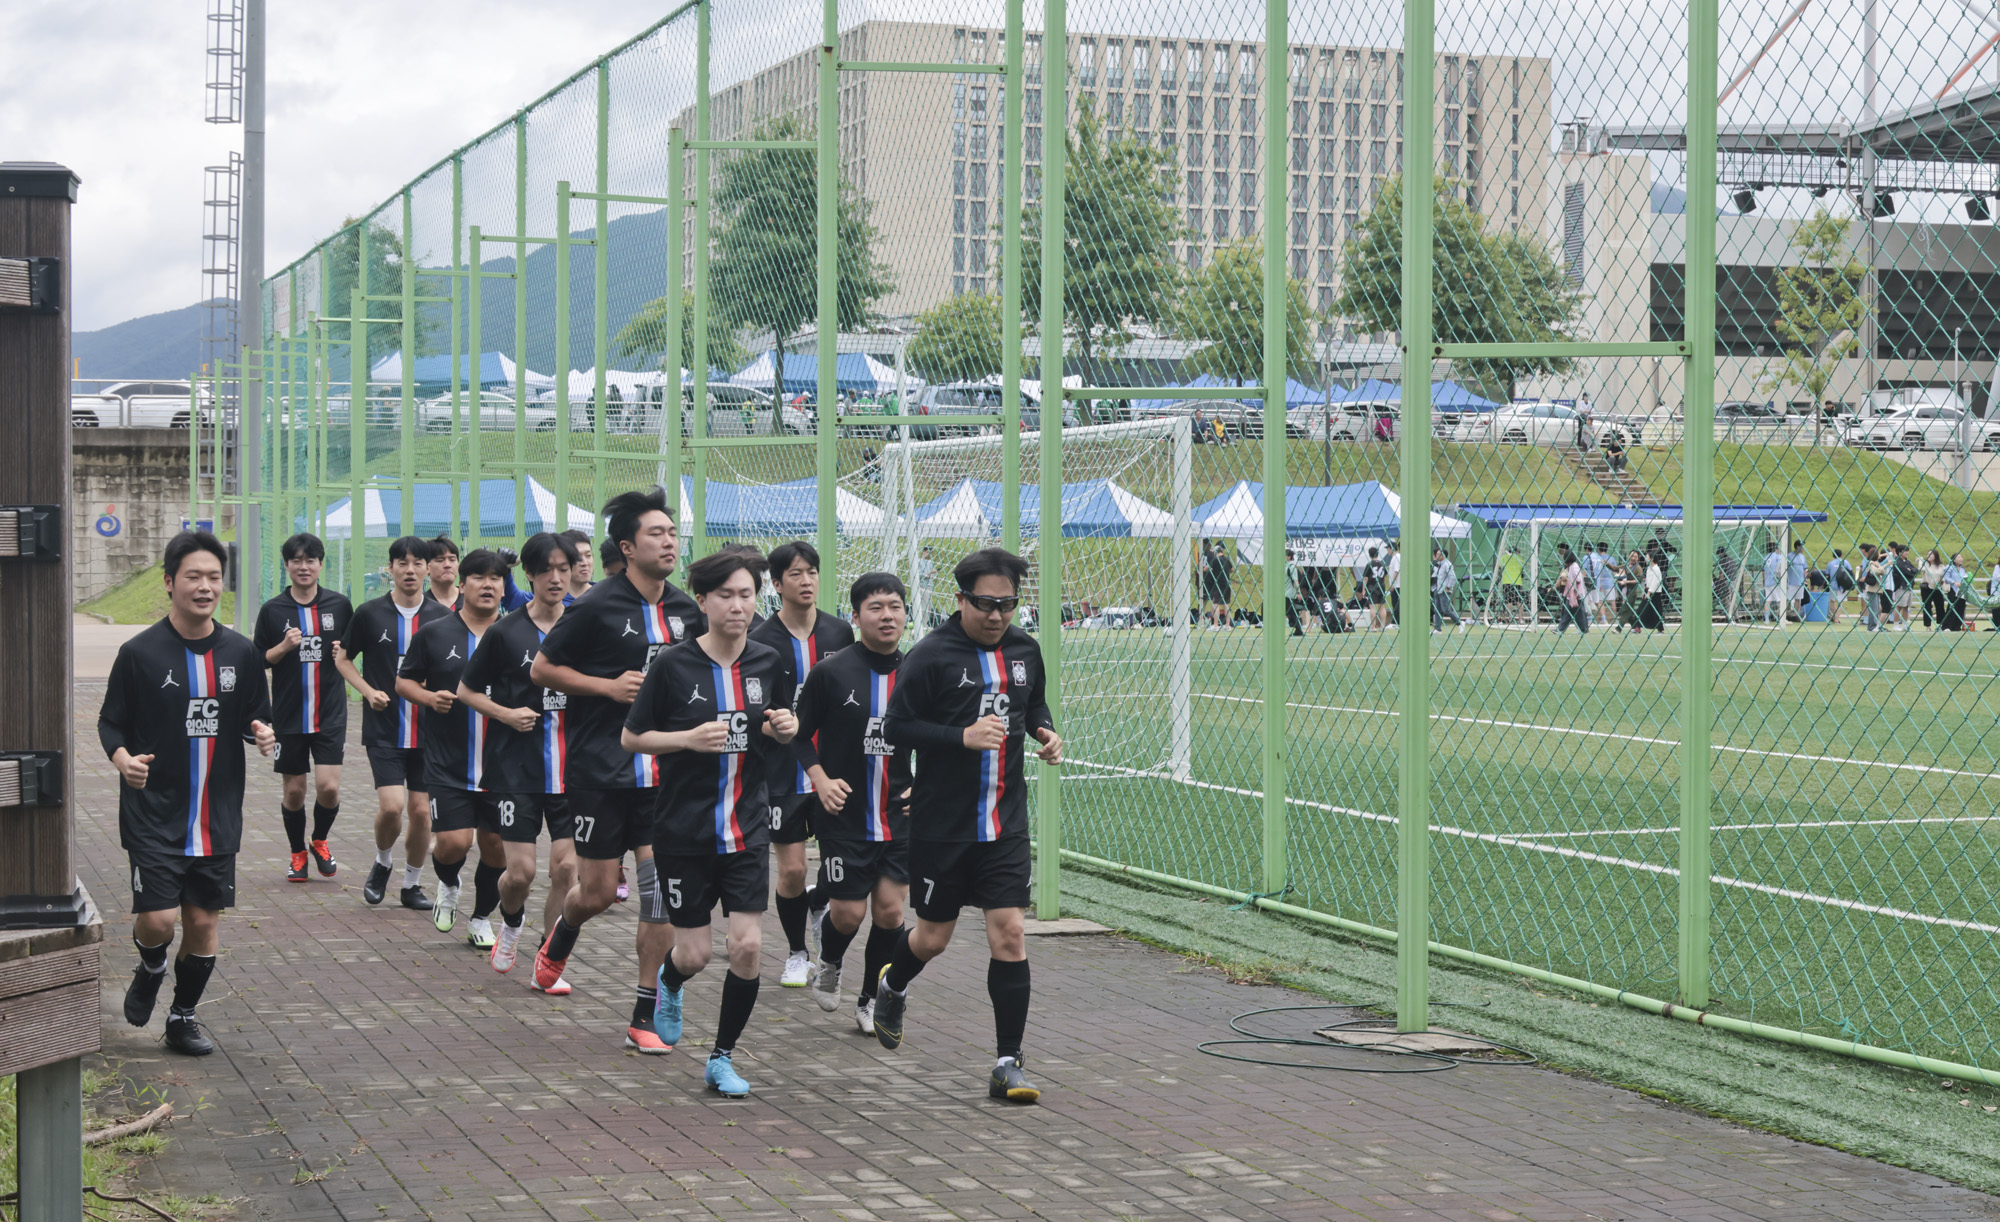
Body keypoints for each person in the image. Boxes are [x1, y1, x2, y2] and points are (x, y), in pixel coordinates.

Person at [872, 547, 1062, 1104]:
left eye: (1007, 604)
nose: (998, 615)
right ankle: (892, 983)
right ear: (960, 600)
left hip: (1004, 824)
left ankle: (1009, 1062)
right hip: (942, 826)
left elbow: (1036, 706)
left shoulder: (1026, 650)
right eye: (986, 604)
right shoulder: (931, 656)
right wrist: (961, 737)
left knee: (1009, 932)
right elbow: (897, 728)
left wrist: (1045, 733)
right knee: (933, 937)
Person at [530, 487, 704, 1052]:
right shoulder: (597, 607)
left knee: (659, 894)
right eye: (657, 533)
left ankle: (643, 1013)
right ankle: (565, 929)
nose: (670, 541)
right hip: (601, 773)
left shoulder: (685, 610)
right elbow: (542, 669)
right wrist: (605, 686)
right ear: (627, 547)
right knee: (599, 892)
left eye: (673, 532)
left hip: (666, 778)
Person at [622, 548, 797, 1097]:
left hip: (746, 829)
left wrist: (786, 727)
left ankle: (721, 1058)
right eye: (726, 595)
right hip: (682, 831)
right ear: (702, 601)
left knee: (746, 947)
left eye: (747, 594)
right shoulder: (673, 665)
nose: (738, 605)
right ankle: (672, 980)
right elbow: (632, 737)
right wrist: (685, 740)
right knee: (695, 952)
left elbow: (779, 725)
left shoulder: (770, 662)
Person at [104, 530, 276, 1056]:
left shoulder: (241, 652)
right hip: (154, 813)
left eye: (214, 578)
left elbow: (254, 717)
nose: (205, 587)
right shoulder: (139, 653)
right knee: (157, 920)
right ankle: (152, 964)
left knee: (202, 924)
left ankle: (182, 1017)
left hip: (217, 815)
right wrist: (124, 761)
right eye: (194, 577)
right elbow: (111, 725)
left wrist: (263, 733)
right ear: (169, 582)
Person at [794, 572, 913, 1033]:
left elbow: (941, 739)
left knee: (889, 912)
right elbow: (799, 737)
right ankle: (829, 959)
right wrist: (820, 778)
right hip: (843, 814)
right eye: (876, 607)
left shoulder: (919, 672)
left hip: (897, 816)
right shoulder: (831, 672)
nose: (887, 616)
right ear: (856, 615)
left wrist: (923, 786)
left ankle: (869, 1000)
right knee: (847, 912)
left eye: (895, 606)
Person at [457, 533, 580, 975]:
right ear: (528, 574)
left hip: (574, 770)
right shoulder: (505, 631)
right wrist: (506, 714)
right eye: (546, 569)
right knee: (521, 874)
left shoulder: (586, 625)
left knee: (566, 869)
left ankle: (551, 960)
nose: (556, 577)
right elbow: (466, 690)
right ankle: (510, 923)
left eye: (564, 569)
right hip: (516, 768)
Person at [748, 540, 856, 987]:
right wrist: (777, 729)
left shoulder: (839, 633)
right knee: (791, 869)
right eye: (795, 573)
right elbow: (752, 713)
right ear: (776, 584)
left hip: (834, 771)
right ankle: (796, 953)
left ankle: (819, 901)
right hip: (781, 772)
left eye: (812, 571)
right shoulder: (759, 642)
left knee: (843, 865)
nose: (807, 580)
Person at [395, 549, 511, 949]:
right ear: (462, 585)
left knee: (496, 847)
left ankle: (481, 918)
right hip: (449, 762)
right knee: (454, 844)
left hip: (504, 766)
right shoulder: (435, 632)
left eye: (496, 578)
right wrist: (428, 699)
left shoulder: (517, 635)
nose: (488, 584)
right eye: (479, 577)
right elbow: (404, 682)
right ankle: (448, 884)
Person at [334, 535, 450, 909]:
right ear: (390, 569)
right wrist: (368, 692)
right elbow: (343, 659)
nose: (411, 570)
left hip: (429, 733)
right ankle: (383, 861)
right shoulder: (369, 613)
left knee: (421, 812)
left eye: (418, 563)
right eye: (403, 563)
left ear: (428, 569)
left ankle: (412, 884)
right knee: (391, 807)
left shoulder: (441, 618)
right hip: (384, 729)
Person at [254, 532, 354, 883]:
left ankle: (320, 839)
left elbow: (352, 654)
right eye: (296, 560)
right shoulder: (273, 610)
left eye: (310, 560)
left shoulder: (340, 606)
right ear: (286, 566)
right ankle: (297, 851)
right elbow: (259, 661)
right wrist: (283, 647)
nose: (303, 566)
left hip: (330, 713)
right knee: (294, 791)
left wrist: (343, 651)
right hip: (289, 714)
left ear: (320, 564)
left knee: (328, 788)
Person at [1554, 545, 1589, 634]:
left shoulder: (1574, 567)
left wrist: (1570, 581)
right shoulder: (1572, 566)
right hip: (1571, 594)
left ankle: (1561, 629)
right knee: (1571, 613)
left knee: (1576, 613)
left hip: (1576, 594)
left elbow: (1578, 579)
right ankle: (1583, 629)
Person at [1429, 547, 1463, 632]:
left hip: (1444, 590)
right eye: (1436, 554)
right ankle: (1437, 629)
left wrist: (1448, 587)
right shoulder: (1439, 564)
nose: (1437, 556)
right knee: (1437, 610)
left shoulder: (1447, 564)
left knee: (1446, 609)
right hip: (1437, 589)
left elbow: (1453, 577)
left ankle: (1459, 623)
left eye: (1439, 554)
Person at [1202, 542, 1234, 628]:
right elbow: (1232, 570)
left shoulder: (1215, 560)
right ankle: (1227, 625)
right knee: (1225, 604)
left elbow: (1205, 569)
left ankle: (1215, 625)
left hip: (1218, 585)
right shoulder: (1226, 560)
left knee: (1215, 604)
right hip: (1227, 584)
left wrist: (1211, 569)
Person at [1615, 550, 1646, 632]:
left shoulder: (1638, 568)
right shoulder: (1626, 566)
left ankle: (1618, 629)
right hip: (1625, 591)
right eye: (1632, 556)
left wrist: (1627, 582)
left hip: (1632, 592)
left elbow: (1639, 580)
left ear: (1638, 558)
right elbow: (1615, 568)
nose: (1633, 558)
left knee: (1625, 610)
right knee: (1629, 611)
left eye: (1635, 556)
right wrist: (1607, 564)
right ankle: (1636, 627)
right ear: (1629, 556)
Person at [561, 528, 595, 603]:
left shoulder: (604, 595)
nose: (585, 563)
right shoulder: (554, 600)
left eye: (588, 555)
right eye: (577, 557)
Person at [427, 536, 461, 607]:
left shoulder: (470, 600)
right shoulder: (420, 604)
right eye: (440, 560)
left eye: (452, 560)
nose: (447, 565)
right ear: (427, 567)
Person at [1823, 548, 1854, 625]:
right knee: (1840, 603)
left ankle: (1834, 617)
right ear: (1841, 555)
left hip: (1832, 586)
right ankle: (1836, 619)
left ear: (1833, 555)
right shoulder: (1845, 562)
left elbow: (1827, 575)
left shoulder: (1830, 564)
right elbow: (1851, 573)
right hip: (1843, 586)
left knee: (1832, 601)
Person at [1590, 542, 1618, 627]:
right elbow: (1615, 570)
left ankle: (1604, 619)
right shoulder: (1611, 558)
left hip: (1600, 583)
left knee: (1601, 602)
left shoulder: (1597, 558)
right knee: (1613, 601)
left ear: (1598, 549)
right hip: (1610, 583)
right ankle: (1615, 620)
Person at [1891, 544, 1917, 630]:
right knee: (1899, 605)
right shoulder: (1897, 561)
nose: (1907, 553)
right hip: (1901, 586)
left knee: (1906, 606)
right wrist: (1909, 571)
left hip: (1908, 586)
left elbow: (1915, 570)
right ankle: (1896, 625)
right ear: (1899, 552)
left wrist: (1910, 570)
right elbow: (1906, 572)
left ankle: (1905, 625)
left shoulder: (1907, 562)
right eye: (1905, 551)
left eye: (1907, 551)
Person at [1860, 544, 1885, 632]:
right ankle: (1871, 627)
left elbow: (1883, 571)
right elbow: (1877, 571)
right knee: (1873, 608)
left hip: (1877, 589)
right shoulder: (1870, 563)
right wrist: (1879, 567)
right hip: (1872, 589)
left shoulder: (1876, 563)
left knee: (1877, 608)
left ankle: (1875, 626)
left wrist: (1879, 566)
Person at [1641, 551, 1668, 632]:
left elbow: (1655, 582)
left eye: (1647, 557)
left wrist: (1649, 592)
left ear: (1652, 559)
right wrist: (1644, 589)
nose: (1645, 559)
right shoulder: (1649, 568)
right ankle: (1637, 627)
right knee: (1642, 610)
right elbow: (1648, 581)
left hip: (1655, 593)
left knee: (1657, 611)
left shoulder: (1656, 569)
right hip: (1649, 590)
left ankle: (1660, 629)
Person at [1941, 552, 1968, 632]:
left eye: (1961, 557)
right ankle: (1947, 626)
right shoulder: (1949, 567)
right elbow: (1946, 578)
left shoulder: (1962, 569)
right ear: (1954, 559)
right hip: (1953, 590)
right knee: (1952, 608)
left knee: (1961, 608)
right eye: (1958, 557)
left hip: (1962, 591)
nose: (1960, 559)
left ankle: (1957, 626)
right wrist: (1954, 582)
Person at [1760, 545, 1787, 625]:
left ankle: (1767, 620)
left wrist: (1765, 581)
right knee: (1780, 600)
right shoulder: (1778, 557)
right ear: (1776, 549)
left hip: (1767, 582)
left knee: (1768, 601)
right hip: (1775, 581)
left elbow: (1763, 572)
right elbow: (1779, 568)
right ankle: (1782, 619)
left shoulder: (1765, 558)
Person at [1921, 548, 1947, 630]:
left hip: (1937, 587)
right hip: (1926, 587)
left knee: (1940, 606)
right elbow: (1921, 569)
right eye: (1928, 554)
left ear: (1935, 556)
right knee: (1927, 606)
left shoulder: (1940, 566)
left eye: (1931, 554)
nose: (1929, 555)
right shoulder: (1925, 564)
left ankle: (1941, 624)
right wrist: (1920, 560)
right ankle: (1928, 626)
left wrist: (1941, 580)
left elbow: (1943, 575)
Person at [1362, 547, 1388, 630]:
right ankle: (1382, 626)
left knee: (1372, 607)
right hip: (1381, 586)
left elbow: (1365, 578)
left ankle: (1373, 626)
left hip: (1372, 587)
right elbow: (1385, 574)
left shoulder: (1369, 564)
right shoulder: (1382, 563)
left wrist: (1363, 589)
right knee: (1382, 607)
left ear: (1369, 555)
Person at [1499, 548, 1526, 624]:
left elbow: (1499, 567)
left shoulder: (1504, 557)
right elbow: (1522, 572)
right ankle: (1521, 619)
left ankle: (1511, 618)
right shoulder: (1520, 559)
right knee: (1519, 601)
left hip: (1507, 581)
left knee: (1508, 600)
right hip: (1518, 582)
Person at [1787, 541, 1810, 620]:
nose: (1803, 549)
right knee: (1788, 599)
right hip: (1791, 582)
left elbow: (1805, 569)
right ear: (1797, 546)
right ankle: (1785, 614)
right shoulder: (1789, 556)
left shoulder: (1802, 557)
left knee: (1798, 599)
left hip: (1800, 582)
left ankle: (1795, 615)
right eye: (1802, 547)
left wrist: (1806, 580)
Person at [1385, 542, 1402, 626]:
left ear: (1391, 548)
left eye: (1388, 548)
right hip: (1396, 584)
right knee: (1395, 603)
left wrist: (1392, 583)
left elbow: (1396, 570)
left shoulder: (1397, 557)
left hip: (1397, 585)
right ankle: (1396, 621)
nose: (1387, 551)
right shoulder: (1395, 557)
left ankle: (1396, 622)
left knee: (1396, 604)